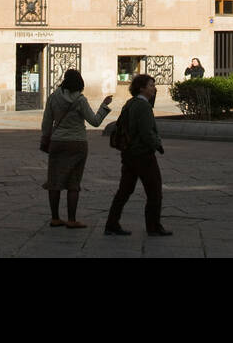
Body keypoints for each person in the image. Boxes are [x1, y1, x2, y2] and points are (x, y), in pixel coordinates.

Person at [41, 69, 112, 229]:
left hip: (57, 142)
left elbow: (46, 123)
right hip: (77, 143)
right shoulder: (80, 100)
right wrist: (104, 106)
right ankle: (72, 219)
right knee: (74, 182)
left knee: (54, 181)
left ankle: (55, 218)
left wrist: (46, 139)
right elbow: (94, 121)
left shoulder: (53, 97)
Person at [105, 74, 169, 237]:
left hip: (129, 153)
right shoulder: (143, 107)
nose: (154, 88)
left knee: (124, 190)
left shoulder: (130, 103)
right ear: (142, 88)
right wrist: (157, 145)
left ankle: (112, 223)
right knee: (154, 191)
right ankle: (153, 226)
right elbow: (146, 132)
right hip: (142, 154)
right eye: (151, 85)